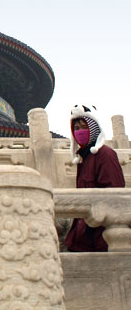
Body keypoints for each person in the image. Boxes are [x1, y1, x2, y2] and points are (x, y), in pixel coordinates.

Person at [64, 105, 125, 252]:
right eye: (76, 128)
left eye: (84, 127)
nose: (80, 131)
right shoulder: (83, 158)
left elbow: (114, 194)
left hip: (100, 236)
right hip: (83, 234)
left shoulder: (105, 155)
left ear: (93, 128)